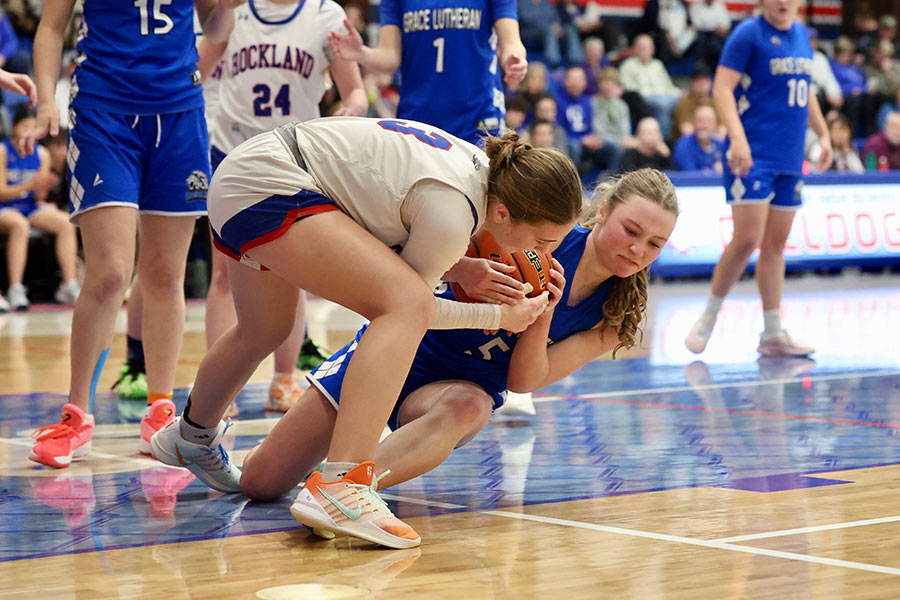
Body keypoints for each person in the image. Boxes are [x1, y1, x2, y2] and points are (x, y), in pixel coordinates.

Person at [150, 118, 583, 549]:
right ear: (504, 212)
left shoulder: (473, 174)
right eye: (541, 241)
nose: (541, 254)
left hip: (249, 175)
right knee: (403, 306)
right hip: (273, 182)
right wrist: (498, 318)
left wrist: (462, 268)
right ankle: (343, 484)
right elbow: (412, 308)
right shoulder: (456, 214)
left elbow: (386, 240)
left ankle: (192, 436)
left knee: (265, 328)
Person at [233, 169, 678, 541]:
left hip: (456, 390)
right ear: (602, 212)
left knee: (472, 406)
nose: (638, 250)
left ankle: (346, 492)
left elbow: (523, 381)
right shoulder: (545, 236)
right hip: (404, 347)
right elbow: (426, 260)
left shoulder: (614, 315)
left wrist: (541, 315)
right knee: (260, 483)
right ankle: (221, 442)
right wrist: (468, 273)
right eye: (631, 230)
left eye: (655, 243)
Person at [25, 0, 241, 469]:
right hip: (104, 111)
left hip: (179, 112)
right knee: (110, 272)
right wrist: (46, 100)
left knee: (166, 273)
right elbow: (50, 27)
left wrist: (229, 7)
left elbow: (217, 25)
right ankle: (76, 414)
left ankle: (161, 408)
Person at [200, 0, 368, 414]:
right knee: (222, 275)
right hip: (232, 152)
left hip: (294, 155)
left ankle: (283, 379)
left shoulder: (325, 13)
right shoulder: (234, 10)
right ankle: (221, 390)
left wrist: (354, 109)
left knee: (291, 272)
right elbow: (195, 72)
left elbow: (356, 91)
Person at [684, 0, 832, 358]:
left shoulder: (802, 36)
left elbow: (805, 89)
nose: (782, 2)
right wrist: (736, 137)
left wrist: (823, 133)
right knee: (747, 238)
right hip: (752, 153)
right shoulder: (748, 34)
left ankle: (772, 332)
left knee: (776, 245)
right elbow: (721, 88)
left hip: (790, 155)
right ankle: (708, 317)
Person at [327, 0, 527, 145]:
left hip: (477, 115)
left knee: (482, 198)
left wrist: (515, 57)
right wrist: (361, 53)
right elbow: (390, 57)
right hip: (418, 118)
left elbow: (511, 42)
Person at [0, 105, 79, 312]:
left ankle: (68, 285)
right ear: (15, 127)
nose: (29, 130)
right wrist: (30, 186)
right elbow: (1, 191)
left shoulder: (41, 154)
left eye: (33, 126)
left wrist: (42, 188)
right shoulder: (3, 150)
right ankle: (16, 288)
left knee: (65, 222)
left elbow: (38, 196)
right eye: (25, 125)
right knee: (19, 225)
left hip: (30, 206)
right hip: (6, 207)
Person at [672, 105, 726, 172]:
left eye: (708, 121)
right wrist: (714, 170)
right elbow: (689, 174)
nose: (704, 125)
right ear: (693, 123)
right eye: (700, 120)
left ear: (716, 125)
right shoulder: (683, 145)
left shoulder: (721, 145)